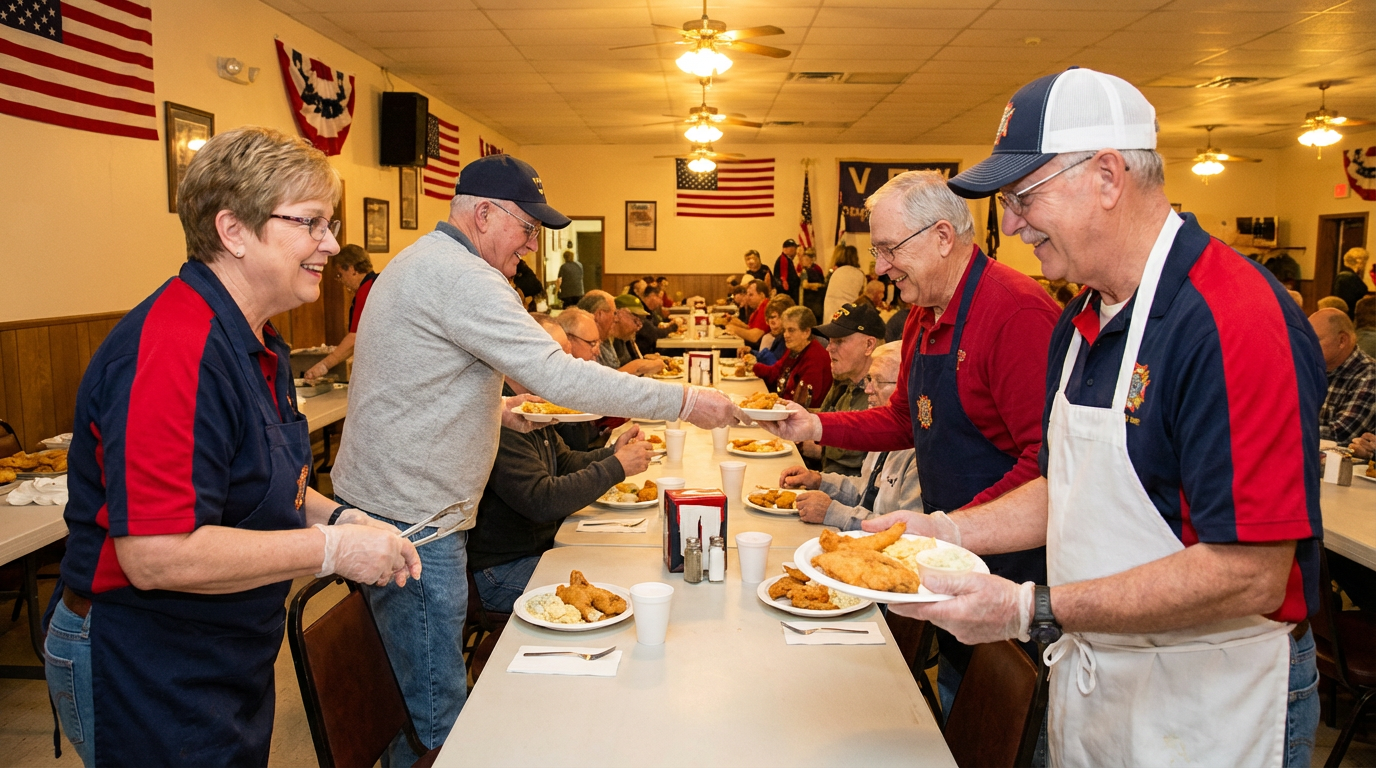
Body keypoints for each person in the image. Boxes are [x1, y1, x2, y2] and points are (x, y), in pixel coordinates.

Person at [859, 68, 1324, 767]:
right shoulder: (1080, 318)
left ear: (1107, 176)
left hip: (1211, 700)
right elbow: (1066, 488)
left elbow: (1250, 572)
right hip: (1103, 681)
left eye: (1023, 197)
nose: (1010, 226)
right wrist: (942, 531)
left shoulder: (1230, 320)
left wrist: (1029, 609)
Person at [329, 154, 739, 765]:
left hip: (391, 503)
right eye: (527, 228)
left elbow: (407, 381)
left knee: (408, 685)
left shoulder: (422, 260)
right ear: (485, 214)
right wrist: (684, 399)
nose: (532, 244)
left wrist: (489, 411)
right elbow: (562, 376)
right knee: (438, 716)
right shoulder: (464, 275)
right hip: (418, 521)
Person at [43, 127, 421, 766]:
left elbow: (267, 486)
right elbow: (156, 556)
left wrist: (342, 517)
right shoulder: (175, 351)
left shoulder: (256, 341)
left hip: (218, 650)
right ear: (234, 231)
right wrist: (332, 549)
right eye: (311, 223)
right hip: (143, 655)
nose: (330, 244)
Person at [760, 169, 1057, 716]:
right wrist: (815, 427)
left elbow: (1050, 467)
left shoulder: (1016, 313)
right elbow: (906, 418)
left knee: (1001, 721)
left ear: (943, 237)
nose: (878, 267)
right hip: (947, 559)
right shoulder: (923, 313)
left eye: (889, 249)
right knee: (951, 702)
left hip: (1010, 574)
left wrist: (949, 534)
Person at [467, 317, 655, 613]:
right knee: (613, 589)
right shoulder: (505, 415)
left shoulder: (533, 402)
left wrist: (611, 453)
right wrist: (617, 467)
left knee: (622, 570)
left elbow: (563, 461)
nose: (566, 367)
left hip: (539, 548)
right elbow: (542, 500)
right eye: (557, 358)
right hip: (500, 569)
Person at [778, 343, 920, 530]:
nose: (868, 389)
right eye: (869, 379)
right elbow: (866, 491)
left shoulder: (921, 454)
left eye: (879, 381)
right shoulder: (882, 432)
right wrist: (819, 481)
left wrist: (833, 512)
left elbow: (909, 533)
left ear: (907, 388)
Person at [797, 302, 886, 476]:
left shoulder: (882, 396)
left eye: (839, 341)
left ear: (869, 345)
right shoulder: (845, 383)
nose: (829, 348)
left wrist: (813, 447)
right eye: (830, 341)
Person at [304, 243, 377, 380]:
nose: (341, 281)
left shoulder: (366, 291)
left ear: (352, 269)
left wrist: (323, 366)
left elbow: (355, 338)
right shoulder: (377, 283)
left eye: (340, 275)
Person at [1309, 307, 1376, 444]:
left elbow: (1342, 433)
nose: (1307, 346)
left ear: (1342, 341)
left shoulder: (1368, 374)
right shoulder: (1313, 369)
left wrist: (1289, 429)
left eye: (1315, 340)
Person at [553, 308, 611, 452]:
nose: (597, 351)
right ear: (568, 341)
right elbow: (570, 455)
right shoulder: (553, 389)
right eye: (592, 343)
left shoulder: (581, 380)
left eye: (599, 343)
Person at [754, 306, 831, 407]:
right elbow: (775, 373)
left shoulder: (815, 358)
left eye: (791, 330)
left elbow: (804, 405)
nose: (786, 335)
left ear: (806, 332)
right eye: (785, 330)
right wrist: (752, 366)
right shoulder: (794, 350)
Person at [578, 290, 663, 376]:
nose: (616, 319)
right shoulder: (582, 340)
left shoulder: (605, 339)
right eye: (614, 313)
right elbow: (603, 380)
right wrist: (639, 365)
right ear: (599, 314)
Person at [610, 293, 663, 373]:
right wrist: (640, 364)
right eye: (635, 319)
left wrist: (646, 361)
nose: (639, 326)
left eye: (641, 320)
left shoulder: (625, 338)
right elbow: (610, 378)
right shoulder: (604, 341)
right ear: (616, 314)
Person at [722, 279, 771, 350]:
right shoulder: (758, 307)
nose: (747, 298)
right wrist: (739, 324)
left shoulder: (765, 307)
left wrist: (734, 329)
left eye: (751, 295)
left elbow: (754, 337)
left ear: (762, 295)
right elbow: (751, 329)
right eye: (747, 295)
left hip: (756, 351)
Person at [824, 244, 866, 323]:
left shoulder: (836, 271)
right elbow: (863, 296)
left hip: (831, 308)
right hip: (848, 312)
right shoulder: (859, 274)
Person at [755, 294, 796, 366]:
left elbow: (779, 369)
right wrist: (750, 352)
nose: (772, 323)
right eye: (770, 317)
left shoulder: (793, 340)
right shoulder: (778, 338)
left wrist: (765, 354)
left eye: (779, 317)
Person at [636, 284, 673, 355]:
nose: (661, 302)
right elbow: (656, 333)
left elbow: (659, 324)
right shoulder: (641, 311)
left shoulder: (651, 311)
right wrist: (674, 326)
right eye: (660, 298)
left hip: (653, 349)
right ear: (652, 296)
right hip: (646, 353)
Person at [1335, 247, 1370, 318]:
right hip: (1349, 315)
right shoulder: (1348, 277)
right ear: (1360, 262)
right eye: (1365, 261)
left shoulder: (1345, 275)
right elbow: (1349, 299)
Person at [797, 248, 827, 321]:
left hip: (809, 301)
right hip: (819, 300)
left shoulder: (805, 271)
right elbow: (822, 283)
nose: (802, 262)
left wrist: (812, 285)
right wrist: (817, 285)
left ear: (809, 260)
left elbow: (805, 285)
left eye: (804, 260)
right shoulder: (818, 268)